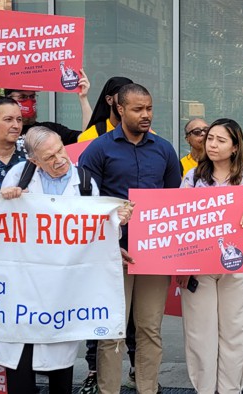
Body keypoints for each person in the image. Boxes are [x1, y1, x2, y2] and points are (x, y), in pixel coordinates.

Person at [0, 126, 133, 394]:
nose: (59, 159)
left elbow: (97, 229)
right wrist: (6, 199)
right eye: (49, 157)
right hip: (25, 284)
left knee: (60, 359)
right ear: (34, 160)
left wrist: (117, 221)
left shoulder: (83, 181)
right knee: (20, 362)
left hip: (64, 286)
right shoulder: (19, 176)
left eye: (61, 150)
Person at [79, 83, 182, 394]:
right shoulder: (98, 149)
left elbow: (173, 200)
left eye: (149, 108)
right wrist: (109, 235)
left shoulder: (164, 149)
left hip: (153, 254)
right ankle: (107, 390)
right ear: (120, 109)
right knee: (111, 330)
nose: (146, 114)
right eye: (138, 109)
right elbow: (85, 201)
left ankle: (147, 389)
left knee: (150, 328)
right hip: (112, 253)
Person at [176, 118, 243, 394]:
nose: (212, 144)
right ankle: (204, 389)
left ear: (235, 146)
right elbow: (178, 222)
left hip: (237, 261)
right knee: (199, 332)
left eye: (220, 140)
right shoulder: (192, 178)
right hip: (199, 264)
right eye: (209, 139)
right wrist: (180, 268)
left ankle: (230, 389)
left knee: (236, 331)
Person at [0, 49, 92, 148]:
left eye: (32, 96)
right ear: (8, 99)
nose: (29, 101)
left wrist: (83, 98)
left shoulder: (48, 130)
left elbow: (87, 139)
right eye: (23, 97)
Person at [78, 76, 134, 142]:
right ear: (109, 99)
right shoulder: (91, 136)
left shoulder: (143, 133)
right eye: (122, 96)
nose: (128, 102)